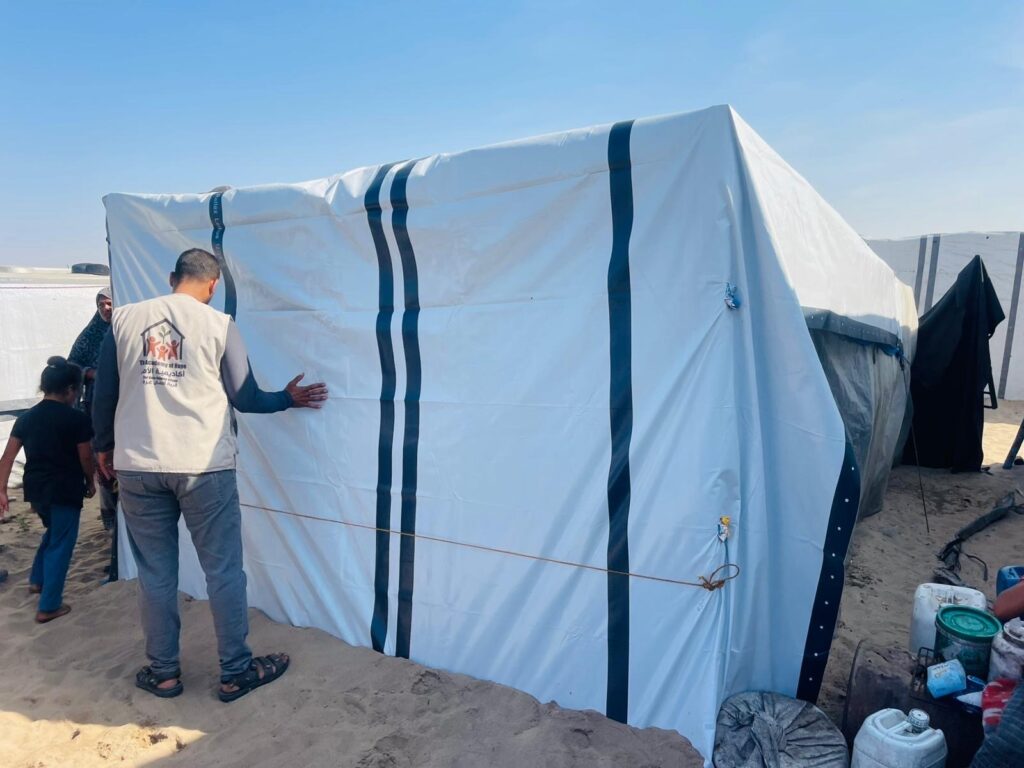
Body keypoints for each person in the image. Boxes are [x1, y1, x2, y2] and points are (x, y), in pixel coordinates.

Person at [92, 248, 327, 701]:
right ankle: (235, 671)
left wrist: (104, 447)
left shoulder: (121, 321)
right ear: (213, 285)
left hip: (139, 466)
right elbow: (244, 396)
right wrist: (288, 398)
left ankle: (163, 673)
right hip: (204, 466)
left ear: (170, 277)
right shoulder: (219, 325)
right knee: (222, 571)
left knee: (156, 574)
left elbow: (105, 394)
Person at [0, 357, 96, 623]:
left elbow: (7, 458)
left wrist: (2, 490)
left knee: (54, 532)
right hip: (64, 489)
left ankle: (37, 580)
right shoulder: (77, 420)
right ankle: (49, 606)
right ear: (70, 390)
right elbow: (86, 457)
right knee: (62, 544)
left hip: (35, 489)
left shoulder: (27, 418)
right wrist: (91, 481)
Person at [68, 286, 119, 575]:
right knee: (104, 462)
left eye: (111, 303)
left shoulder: (126, 329)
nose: (107, 309)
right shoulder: (90, 335)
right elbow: (72, 363)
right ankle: (108, 515)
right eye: (102, 304)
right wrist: (93, 373)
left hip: (122, 406)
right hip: (96, 408)